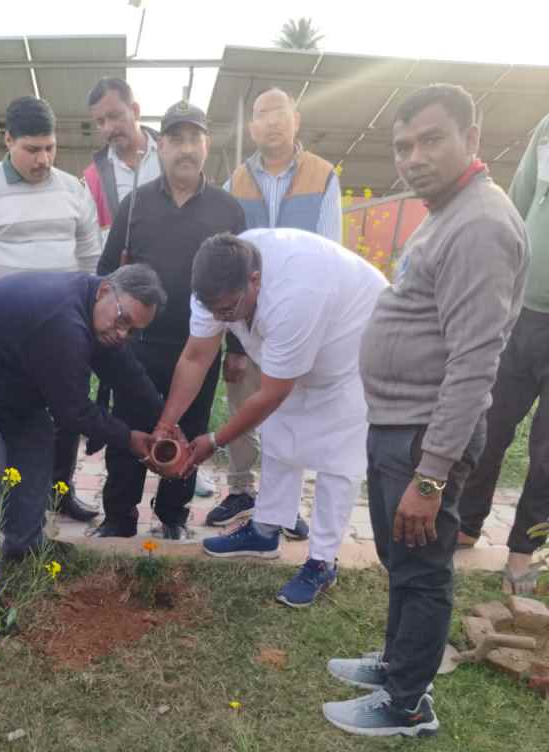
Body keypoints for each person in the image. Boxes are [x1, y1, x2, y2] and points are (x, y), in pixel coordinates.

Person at [323, 84, 528, 738]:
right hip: (400, 425)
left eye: (431, 140)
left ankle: (408, 703)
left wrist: (431, 476)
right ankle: (396, 664)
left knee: (423, 568)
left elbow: (474, 362)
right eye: (403, 146)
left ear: (472, 138)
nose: (413, 158)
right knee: (402, 561)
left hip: (425, 436)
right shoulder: (447, 212)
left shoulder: (480, 226)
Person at [0, 265, 165, 621]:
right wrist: (130, 439)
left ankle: (25, 545)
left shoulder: (95, 311)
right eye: (122, 321)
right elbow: (73, 412)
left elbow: (126, 372)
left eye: (132, 330)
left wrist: (166, 424)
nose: (123, 334)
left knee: (37, 435)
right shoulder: (64, 324)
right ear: (105, 290)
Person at [158, 228, 385, 603]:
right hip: (298, 337)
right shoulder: (214, 286)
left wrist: (214, 440)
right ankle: (265, 531)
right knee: (279, 434)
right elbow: (196, 357)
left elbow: (272, 393)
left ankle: (322, 561)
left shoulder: (295, 294)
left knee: (339, 459)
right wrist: (167, 424)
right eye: (213, 310)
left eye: (226, 311)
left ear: (255, 280)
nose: (219, 318)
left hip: (354, 344)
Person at [0, 96, 102, 523]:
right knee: (11, 416)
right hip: (3, 335)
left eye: (50, 148)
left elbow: (89, 254)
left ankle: (60, 492)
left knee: (67, 412)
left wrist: (84, 311)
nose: (43, 159)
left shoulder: (72, 189)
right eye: (32, 149)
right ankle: (11, 503)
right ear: (8, 140)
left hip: (65, 329)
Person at [92, 101, 245, 541]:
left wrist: (236, 349)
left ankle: (173, 516)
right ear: (160, 147)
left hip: (200, 344)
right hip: (136, 344)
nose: (186, 149)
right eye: (176, 139)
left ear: (207, 146)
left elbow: (243, 283)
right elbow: (107, 271)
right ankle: (119, 516)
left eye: (194, 139)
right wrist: (106, 333)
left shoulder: (228, 210)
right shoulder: (135, 204)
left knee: (190, 430)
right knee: (129, 430)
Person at [207, 87, 343, 537]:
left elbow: (330, 253)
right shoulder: (236, 181)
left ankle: (284, 503)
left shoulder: (322, 176)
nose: (272, 122)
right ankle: (241, 490)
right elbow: (226, 260)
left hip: (299, 319)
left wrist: (317, 327)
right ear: (252, 128)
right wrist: (233, 343)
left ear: (296, 120)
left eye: (280, 113)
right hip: (248, 321)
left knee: (292, 412)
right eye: (262, 114)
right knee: (243, 403)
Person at [456, 111, 549, 595]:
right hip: (521, 311)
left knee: (548, 451)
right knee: (488, 427)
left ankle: (522, 550)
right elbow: (521, 200)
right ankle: (466, 524)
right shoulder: (548, 127)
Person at [83, 78, 161, 240]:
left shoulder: (170, 154)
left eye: (114, 116)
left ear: (135, 111)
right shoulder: (93, 179)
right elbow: (91, 241)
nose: (108, 128)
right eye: (100, 122)